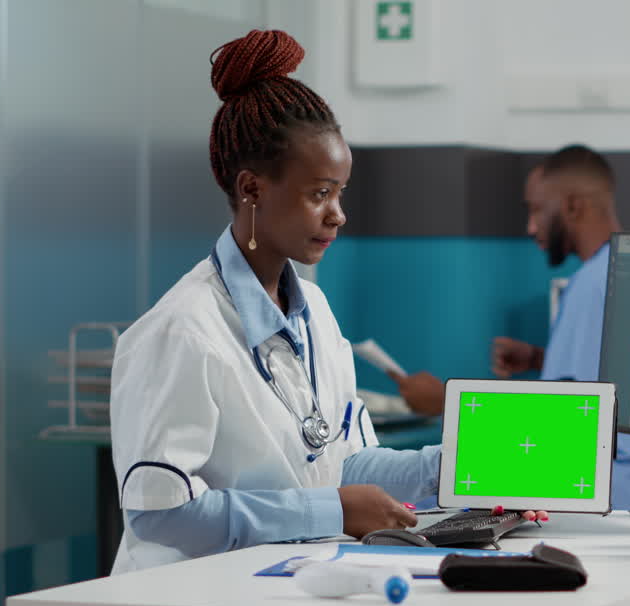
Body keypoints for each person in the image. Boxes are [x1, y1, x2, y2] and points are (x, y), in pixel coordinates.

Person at [109, 29, 544, 574]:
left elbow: (344, 461)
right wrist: (328, 509)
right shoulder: (182, 331)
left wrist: (458, 471)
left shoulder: (313, 310)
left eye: (340, 193)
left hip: (278, 593)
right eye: (319, 194)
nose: (337, 214)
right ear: (252, 190)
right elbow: (161, 517)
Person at [395, 145, 630, 511]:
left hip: (603, 486)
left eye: (537, 209)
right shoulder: (629, 271)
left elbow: (565, 429)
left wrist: (443, 404)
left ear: (573, 206)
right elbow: (614, 384)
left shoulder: (592, 284)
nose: (530, 227)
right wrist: (541, 358)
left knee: (418, 502)